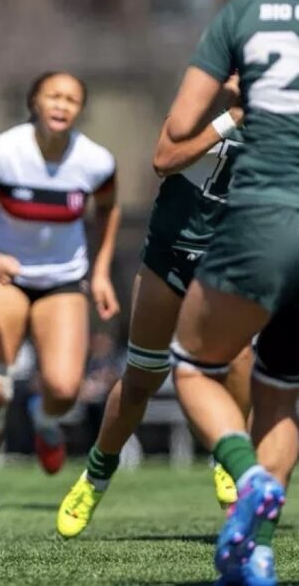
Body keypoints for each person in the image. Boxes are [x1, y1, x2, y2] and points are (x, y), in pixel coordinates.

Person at [56, 75, 253, 540]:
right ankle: (96, 475)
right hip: (171, 252)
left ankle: (230, 456)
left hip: (231, 258)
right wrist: (232, 116)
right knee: (142, 379)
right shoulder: (203, 97)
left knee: (239, 359)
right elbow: (164, 159)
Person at [164, 0, 299, 583]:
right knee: (280, 389)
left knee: (192, 365)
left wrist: (238, 92)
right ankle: (257, 557)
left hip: (266, 218)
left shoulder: (246, 12)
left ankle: (248, 480)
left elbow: (179, 128)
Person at [0, 71, 121, 514]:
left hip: (63, 279)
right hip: (5, 276)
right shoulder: (1, 152)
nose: (62, 105)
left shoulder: (96, 160)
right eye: (54, 96)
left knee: (65, 389)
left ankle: (45, 417)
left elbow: (109, 209)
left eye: (72, 99)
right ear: (35, 103)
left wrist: (100, 273)